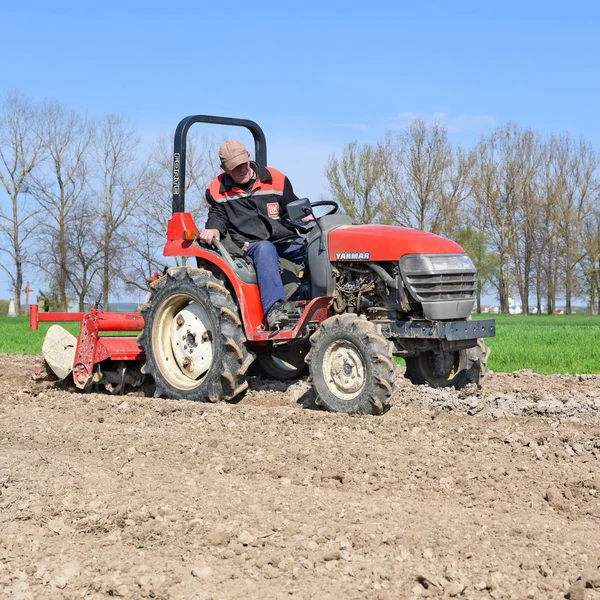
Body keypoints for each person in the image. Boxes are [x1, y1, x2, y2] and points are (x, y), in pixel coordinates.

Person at [199, 140, 309, 330]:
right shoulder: (217, 191)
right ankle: (275, 310)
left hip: (284, 239)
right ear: (224, 168)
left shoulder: (275, 179)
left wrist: (312, 221)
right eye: (235, 168)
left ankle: (315, 297)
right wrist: (213, 229)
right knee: (266, 249)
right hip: (251, 246)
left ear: (249, 157)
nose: (241, 170)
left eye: (243, 164)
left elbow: (294, 208)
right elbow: (217, 217)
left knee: (316, 246)